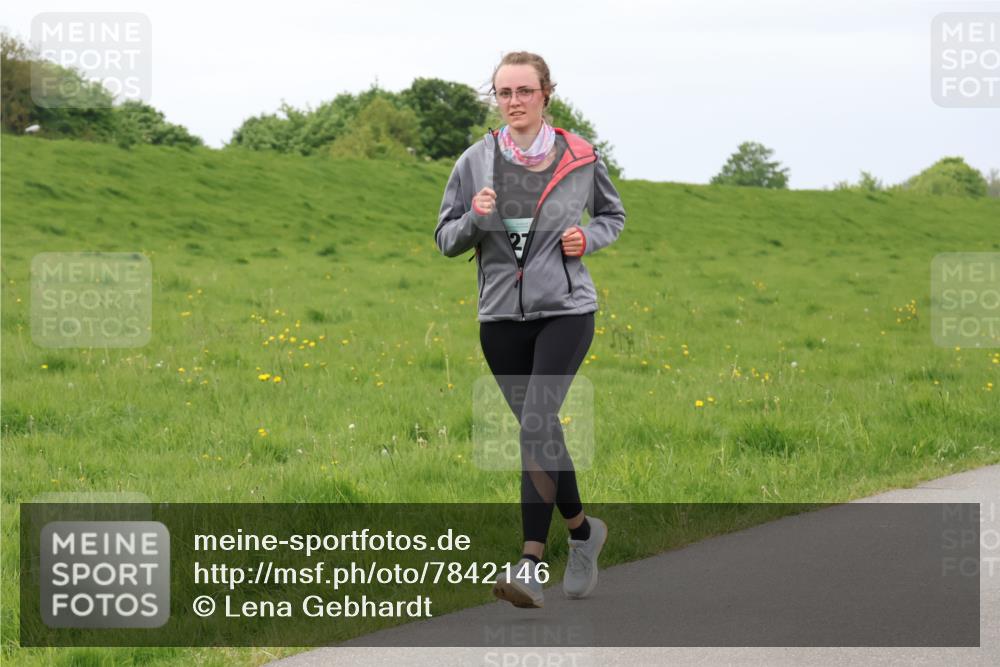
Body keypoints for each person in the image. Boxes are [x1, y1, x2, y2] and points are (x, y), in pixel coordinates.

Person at [434, 51, 626, 608]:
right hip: (499, 320)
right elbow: (446, 238)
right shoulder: (475, 161)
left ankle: (529, 564)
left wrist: (586, 239)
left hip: (566, 309)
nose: (513, 101)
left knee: (536, 422)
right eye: (504, 93)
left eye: (524, 91)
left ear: (546, 94)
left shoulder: (581, 156)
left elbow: (613, 215)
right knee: (543, 432)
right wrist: (476, 216)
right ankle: (584, 532)